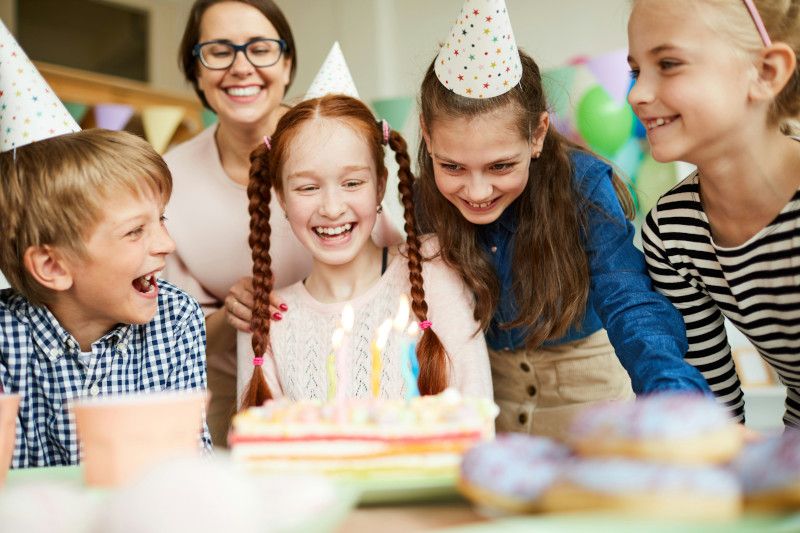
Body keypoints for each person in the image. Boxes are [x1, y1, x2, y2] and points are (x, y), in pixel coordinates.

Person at [415, 0, 710, 440]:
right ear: (426, 134)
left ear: (536, 135)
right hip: (492, 398)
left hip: (590, 393)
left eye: (500, 167)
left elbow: (628, 298)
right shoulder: (426, 200)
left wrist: (673, 396)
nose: (476, 192)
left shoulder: (583, 186)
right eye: (453, 166)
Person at [167, 0, 401, 444]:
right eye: (218, 50)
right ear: (195, 69)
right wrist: (230, 317)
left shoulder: (330, 144)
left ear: (287, 61)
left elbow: (392, 273)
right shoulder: (171, 178)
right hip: (233, 395)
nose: (241, 66)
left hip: (360, 385)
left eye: (261, 48)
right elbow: (172, 336)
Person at [238, 94, 492, 406]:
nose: (332, 208)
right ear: (281, 198)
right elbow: (258, 445)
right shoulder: (268, 317)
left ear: (380, 187)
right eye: (307, 187)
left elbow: (476, 412)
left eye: (352, 183)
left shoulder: (432, 268)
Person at [630, 0, 800, 428]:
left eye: (668, 63)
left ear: (766, 73)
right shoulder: (671, 231)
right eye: (636, 71)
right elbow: (712, 413)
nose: (636, 94)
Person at [0, 130, 212, 466]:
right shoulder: (6, 344)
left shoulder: (176, 318)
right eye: (134, 231)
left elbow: (188, 466)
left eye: (161, 219)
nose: (167, 244)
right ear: (53, 265)